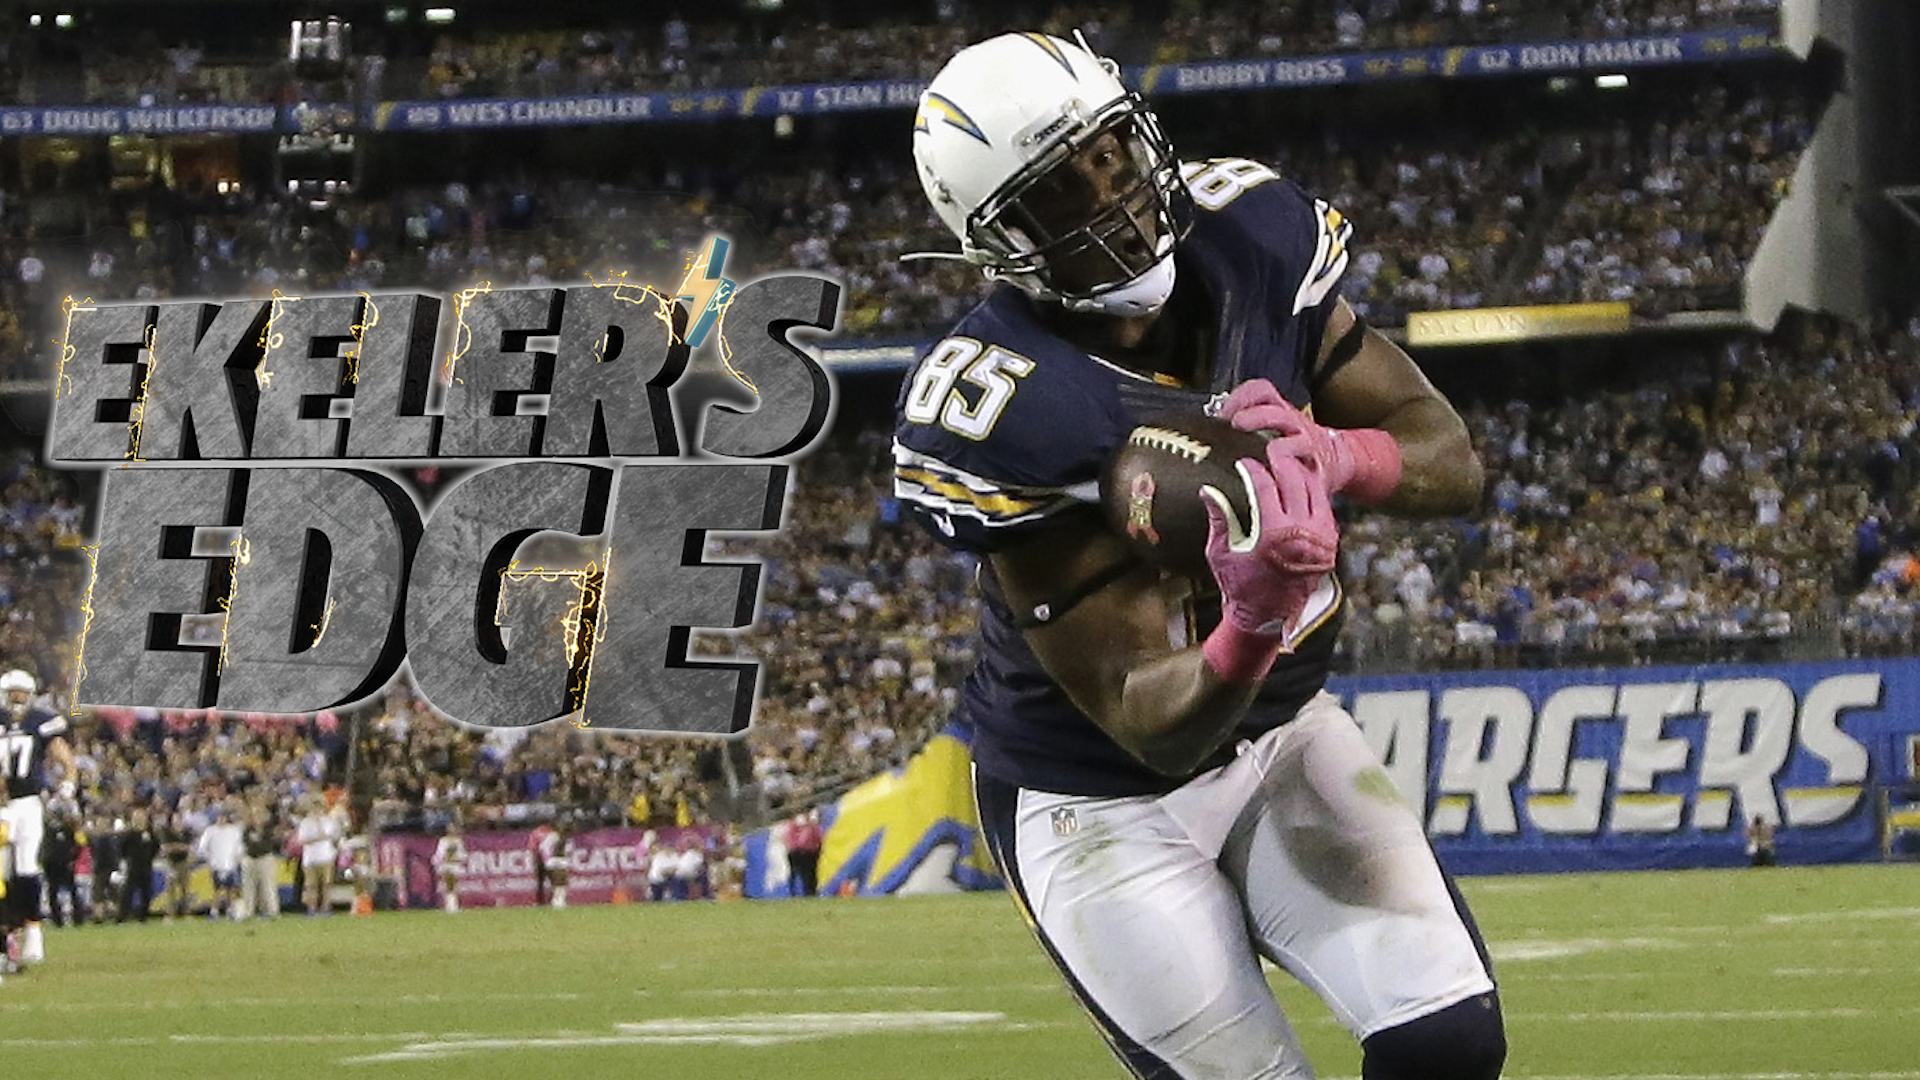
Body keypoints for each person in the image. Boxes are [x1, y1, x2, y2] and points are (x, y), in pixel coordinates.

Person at [894, 33, 1502, 1080]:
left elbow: (1450, 457)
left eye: (1110, 156)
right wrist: (1253, 618)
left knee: (1445, 1044)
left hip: (1285, 732)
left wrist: (1339, 452)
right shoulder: (1001, 404)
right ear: (996, 242)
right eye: (1056, 194)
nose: (1110, 201)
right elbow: (1145, 720)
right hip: (1095, 795)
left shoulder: (1254, 238)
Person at [0, 668, 75, 965]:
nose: (18, 699)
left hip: (28, 802)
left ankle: (33, 932)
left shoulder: (41, 720)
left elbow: (63, 756)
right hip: (2, 803)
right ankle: (9, 936)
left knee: (27, 868)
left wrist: (67, 782)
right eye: (12, 693)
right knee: (3, 874)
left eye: (22, 693)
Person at [432, 822, 467, 913]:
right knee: (448, 884)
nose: (453, 830)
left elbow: (462, 854)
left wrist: (458, 859)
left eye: (454, 828)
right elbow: (439, 854)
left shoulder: (458, 841)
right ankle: (450, 906)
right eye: (451, 828)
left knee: (454, 885)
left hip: (455, 864)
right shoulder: (443, 841)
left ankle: (454, 905)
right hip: (446, 864)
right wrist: (444, 859)